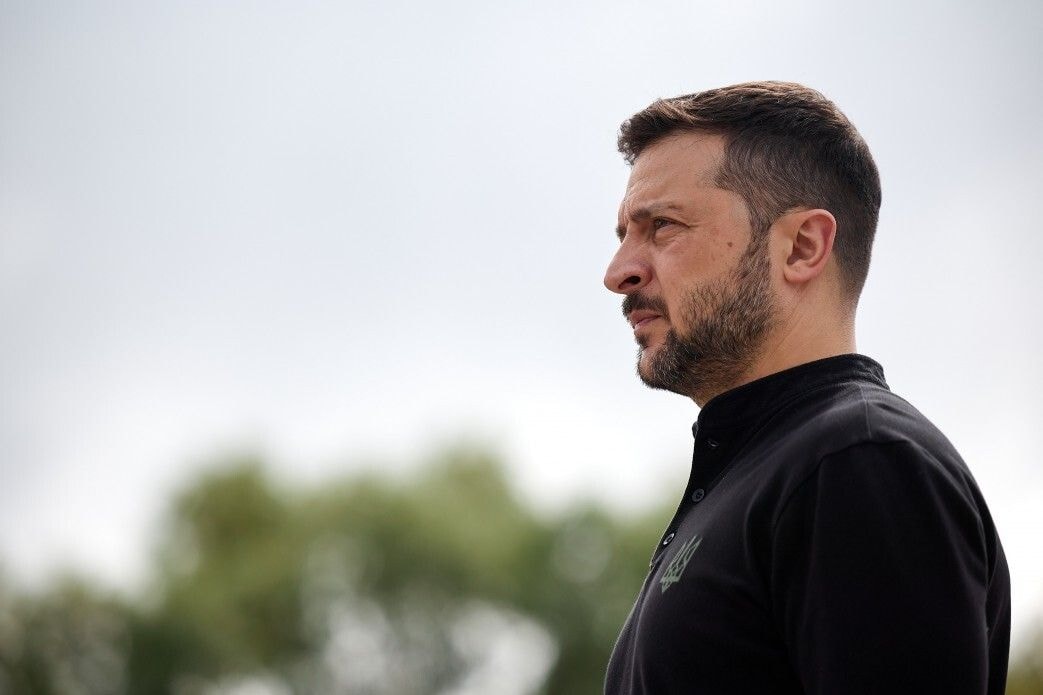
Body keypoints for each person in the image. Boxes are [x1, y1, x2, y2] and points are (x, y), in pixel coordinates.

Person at [602, 81, 1010, 695]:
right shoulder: (775, 472)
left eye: (662, 227)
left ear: (802, 246)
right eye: (622, 236)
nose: (618, 273)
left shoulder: (858, 463)